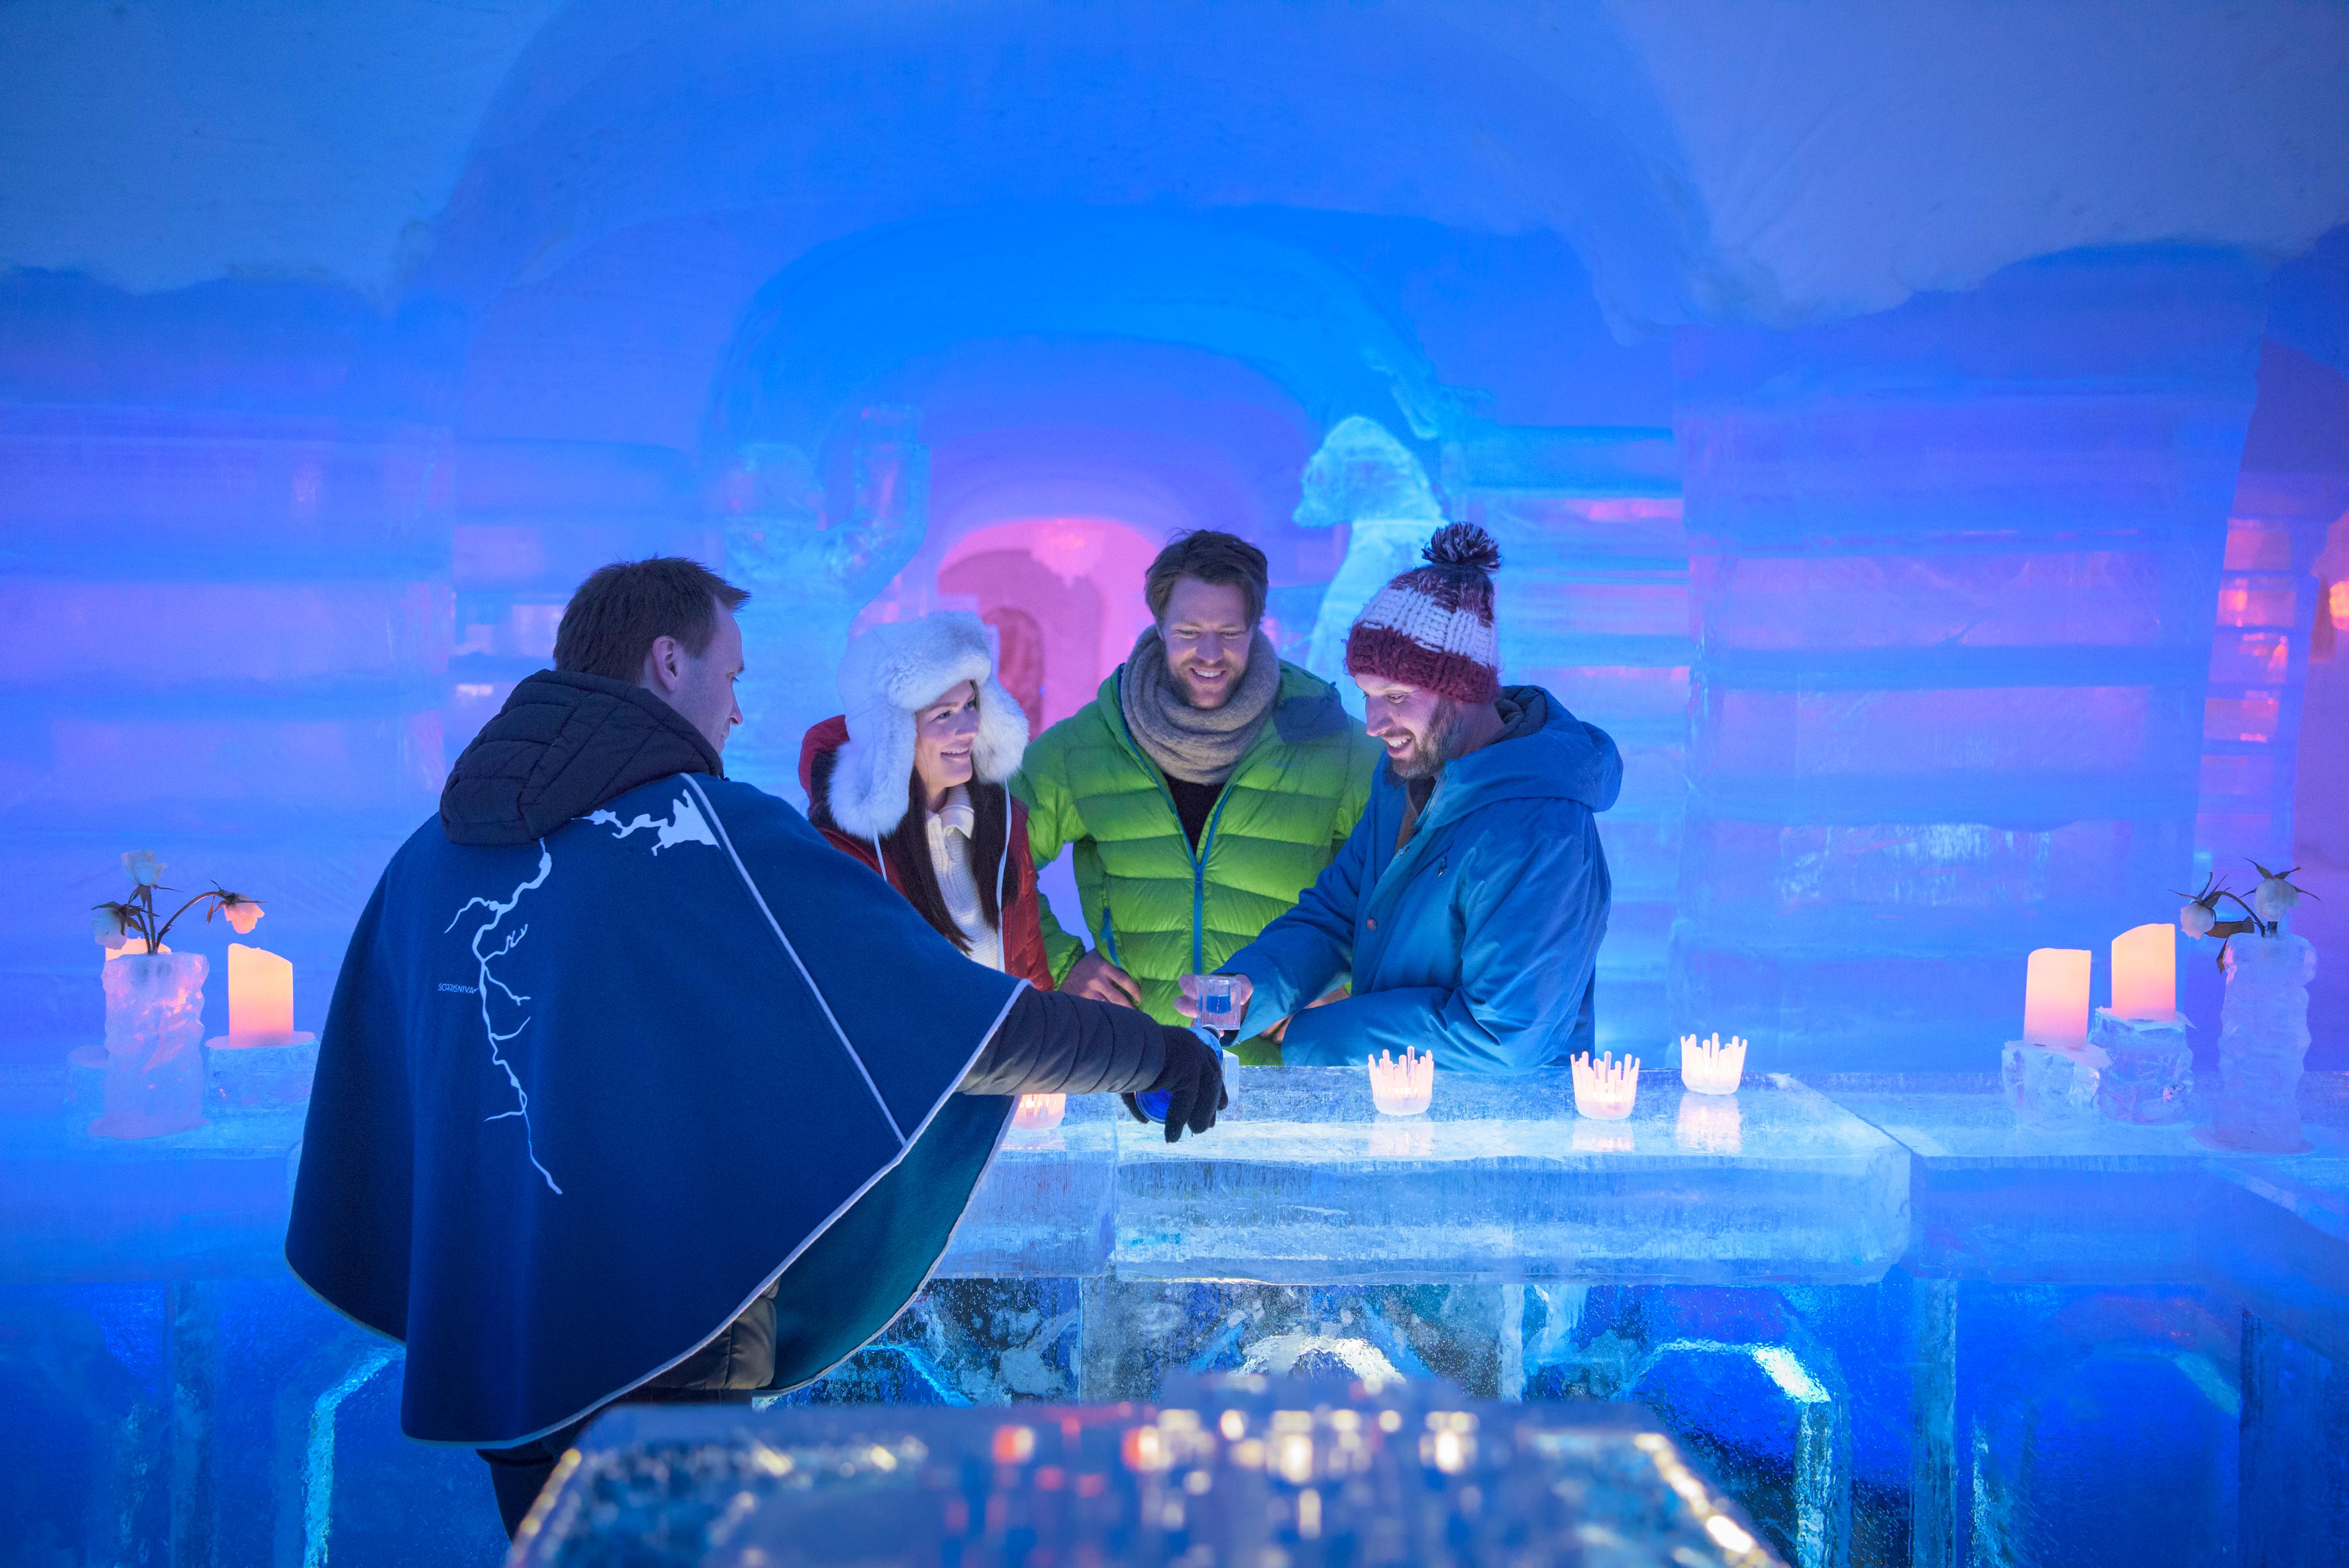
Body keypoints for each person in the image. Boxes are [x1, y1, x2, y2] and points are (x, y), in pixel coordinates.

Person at [285, 557, 1223, 1541]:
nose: (736, 713)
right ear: (665, 661)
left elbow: (378, 1080)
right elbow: (947, 1020)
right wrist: (1149, 1051)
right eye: (730, 676)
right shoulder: (704, 836)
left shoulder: (433, 853)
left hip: (499, 1335)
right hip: (668, 1347)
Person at [1178, 523, 1620, 1073]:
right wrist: (1254, 988)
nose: (1373, 723)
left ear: (1465, 692)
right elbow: (1337, 915)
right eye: (1366, 694)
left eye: (1395, 696)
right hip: (1402, 1112)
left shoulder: (1540, 830)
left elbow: (1506, 1037)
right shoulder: (1408, 780)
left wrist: (1318, 1035)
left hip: (1500, 1143)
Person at [1014, 530, 1382, 1059]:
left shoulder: (1329, 742)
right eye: (1189, 630)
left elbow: (1406, 874)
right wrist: (1060, 962)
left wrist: (1340, 981)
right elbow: (987, 850)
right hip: (1137, 1068)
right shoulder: (1090, 744)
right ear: (1159, 626)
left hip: (1278, 1085)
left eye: (1230, 632)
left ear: (1257, 628)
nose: (1210, 654)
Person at [799, 612, 1053, 987]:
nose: (970, 728)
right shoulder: (843, 855)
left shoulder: (1004, 825)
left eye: (971, 705)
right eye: (944, 715)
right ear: (891, 740)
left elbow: (1032, 977)